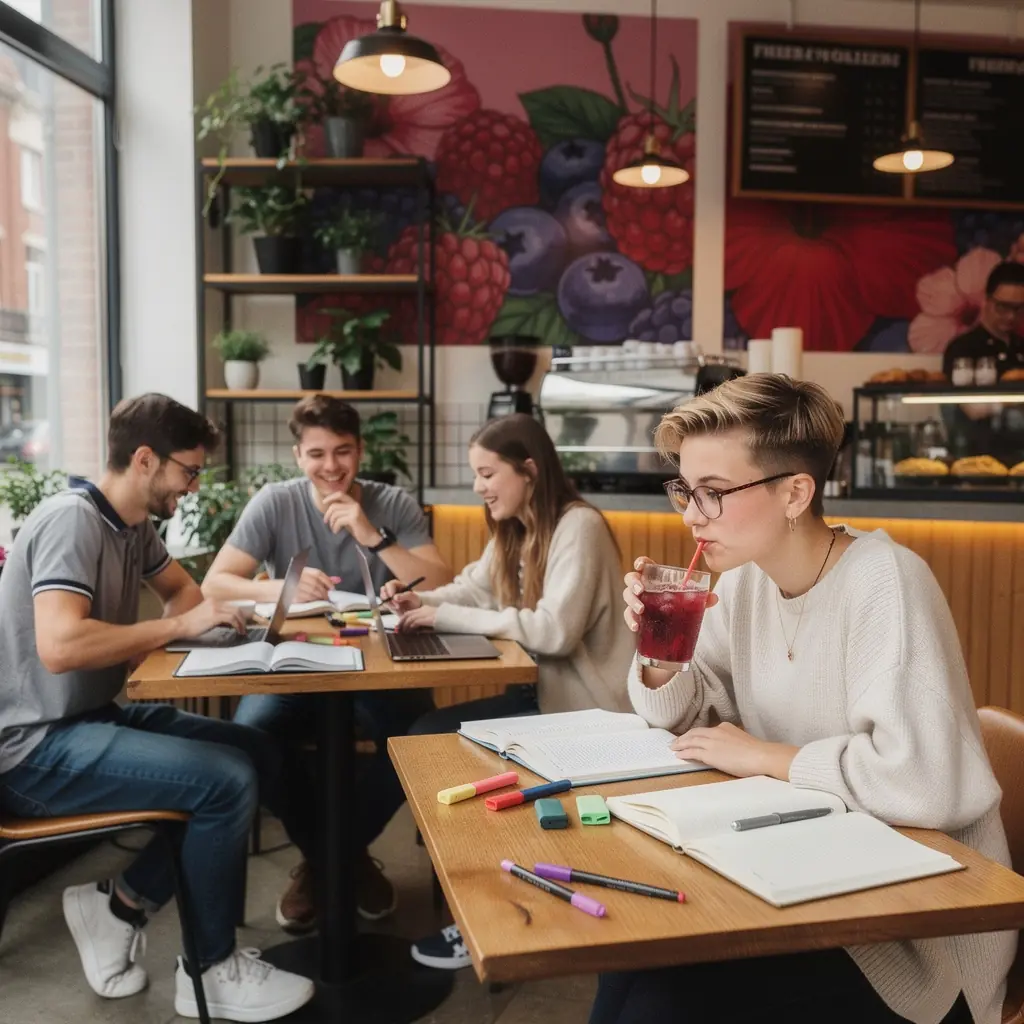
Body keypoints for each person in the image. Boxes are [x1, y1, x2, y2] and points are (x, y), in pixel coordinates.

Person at [598, 374, 1011, 1024]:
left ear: (795, 492)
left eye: (713, 493)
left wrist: (770, 757)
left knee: (660, 1004)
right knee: (627, 958)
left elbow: (927, 783)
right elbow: (681, 717)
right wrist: (658, 648)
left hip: (921, 933)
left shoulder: (884, 581)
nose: (689, 516)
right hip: (811, 877)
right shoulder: (743, 581)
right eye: (684, 490)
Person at [0, 393, 315, 1022]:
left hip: (90, 718)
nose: (193, 487)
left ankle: (120, 905)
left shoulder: (132, 526)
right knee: (224, 782)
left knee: (251, 748)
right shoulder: (73, 521)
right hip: (31, 749)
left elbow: (184, 597)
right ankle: (211, 969)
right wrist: (176, 629)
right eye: (188, 471)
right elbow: (61, 646)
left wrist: (236, 630)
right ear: (145, 459)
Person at [387, 413, 635, 971]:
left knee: (434, 741)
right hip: (545, 698)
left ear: (529, 469)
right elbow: (469, 589)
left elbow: (553, 629)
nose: (478, 487)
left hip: (590, 710)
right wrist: (413, 600)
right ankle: (467, 899)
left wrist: (440, 613)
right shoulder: (518, 530)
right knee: (424, 737)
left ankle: (483, 911)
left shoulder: (579, 526)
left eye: (486, 473)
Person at [202, 394, 452, 932]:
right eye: (317, 454)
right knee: (250, 734)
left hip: (381, 662)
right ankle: (337, 857)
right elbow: (216, 582)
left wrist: (371, 535)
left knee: (417, 736)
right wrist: (279, 586)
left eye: (342, 452)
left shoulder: (391, 502)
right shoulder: (275, 502)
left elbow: (440, 581)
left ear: (360, 451)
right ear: (298, 456)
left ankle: (327, 858)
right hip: (294, 665)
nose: (331, 467)